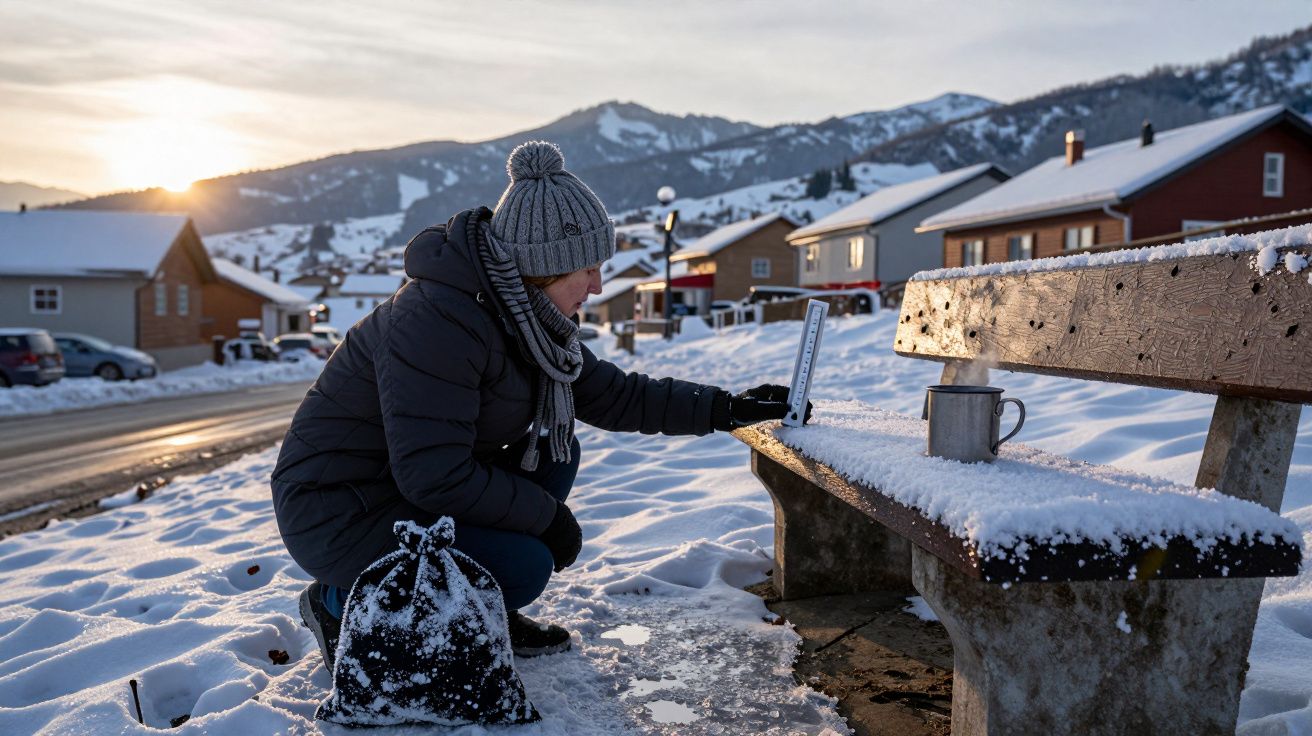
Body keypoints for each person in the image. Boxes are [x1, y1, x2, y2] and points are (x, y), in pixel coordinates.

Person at [270, 140, 808, 672]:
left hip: (398, 486)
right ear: (545, 267)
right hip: (337, 507)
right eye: (589, 268)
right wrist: (546, 518)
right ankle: (339, 602)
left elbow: (611, 394)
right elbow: (433, 474)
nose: (598, 285)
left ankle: (479, 608)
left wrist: (724, 408)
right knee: (524, 566)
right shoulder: (438, 322)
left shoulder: (526, 317)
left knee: (556, 450)